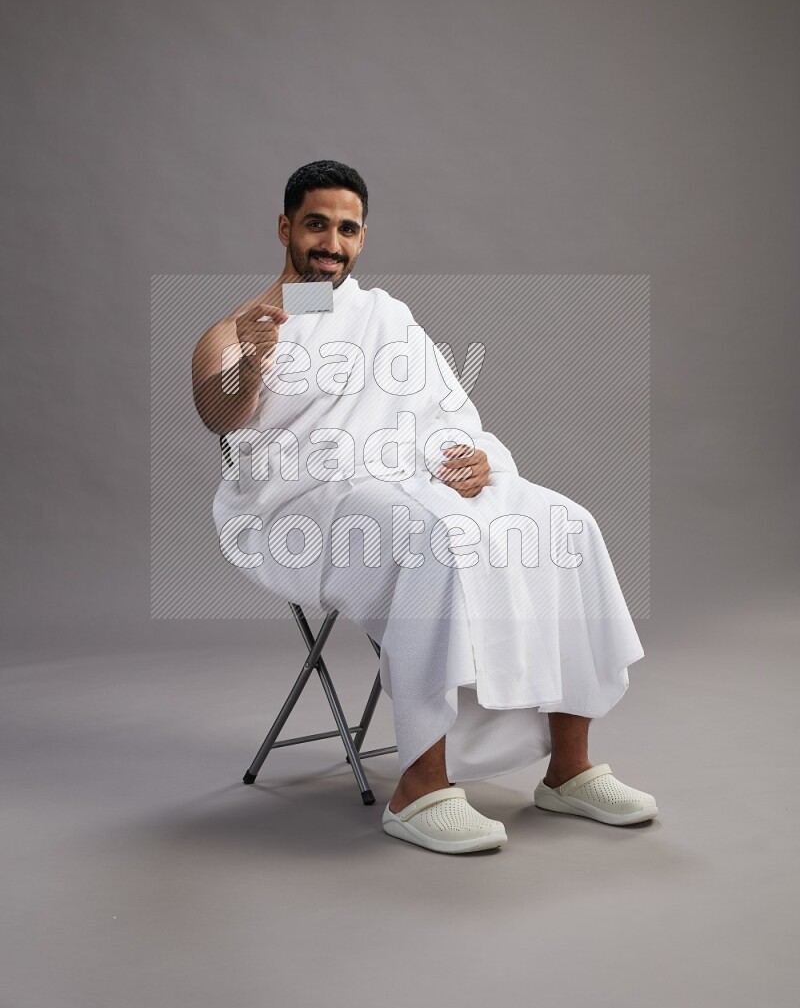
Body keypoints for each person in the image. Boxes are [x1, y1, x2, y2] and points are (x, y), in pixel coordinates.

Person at [192, 159, 658, 855]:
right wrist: (254, 363)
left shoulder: (383, 316)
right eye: (316, 224)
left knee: (565, 525)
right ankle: (420, 787)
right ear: (285, 226)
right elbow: (215, 414)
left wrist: (477, 456)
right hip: (305, 500)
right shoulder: (234, 328)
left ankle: (568, 769)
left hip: (409, 475)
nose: (332, 243)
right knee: (430, 538)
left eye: (348, 230)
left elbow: (444, 411)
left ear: (362, 237)